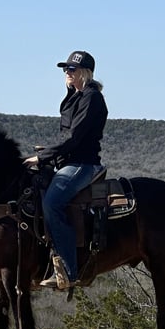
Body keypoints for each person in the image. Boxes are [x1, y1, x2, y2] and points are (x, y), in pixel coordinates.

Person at [23, 50, 108, 290]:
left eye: (72, 69)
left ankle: (69, 271)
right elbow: (67, 136)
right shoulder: (76, 97)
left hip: (83, 164)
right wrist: (48, 150)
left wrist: (42, 157)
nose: (67, 73)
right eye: (65, 69)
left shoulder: (92, 98)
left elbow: (73, 137)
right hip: (68, 161)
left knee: (52, 203)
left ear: (85, 73)